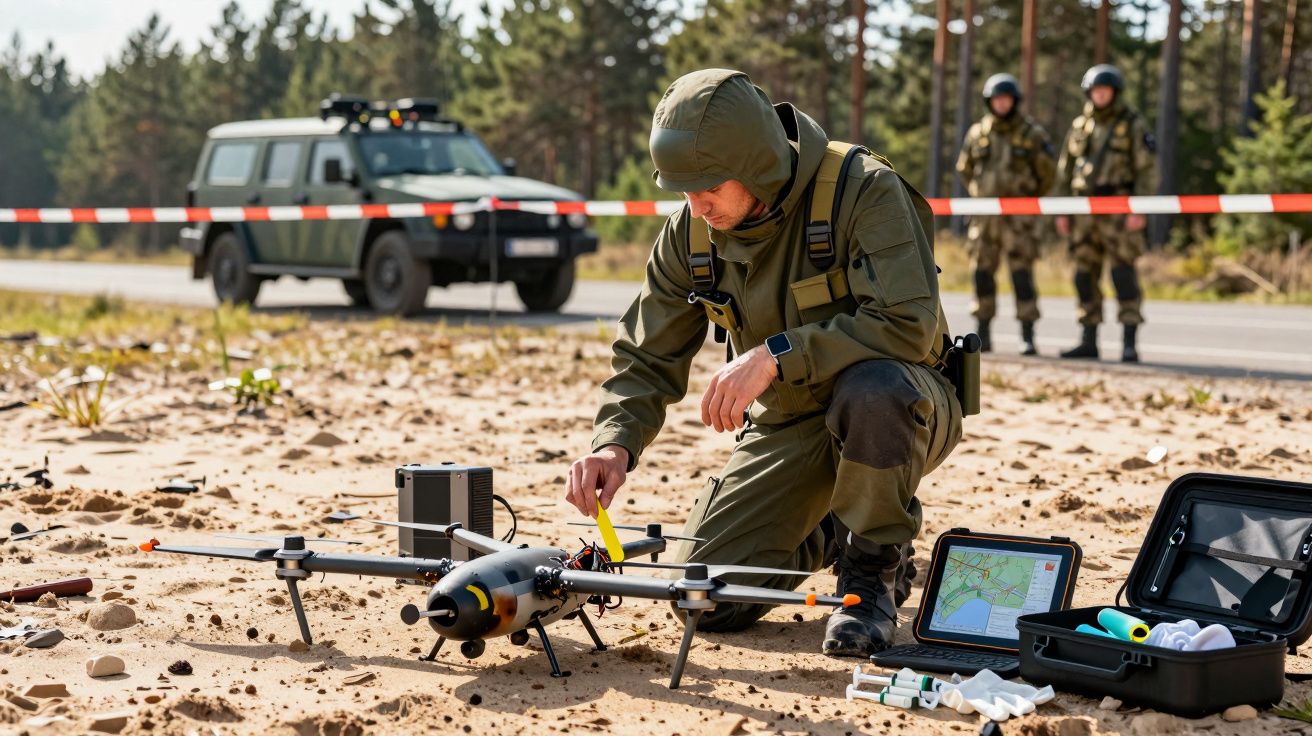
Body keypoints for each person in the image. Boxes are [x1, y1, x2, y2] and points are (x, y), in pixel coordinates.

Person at [563, 69, 962, 657]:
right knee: (707, 597)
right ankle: (834, 528)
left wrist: (777, 354)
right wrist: (613, 444)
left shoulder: (864, 191)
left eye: (708, 188)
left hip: (904, 404)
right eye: (682, 190)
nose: (697, 207)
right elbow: (648, 353)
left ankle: (872, 568)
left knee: (872, 390)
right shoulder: (692, 235)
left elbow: (908, 323)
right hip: (791, 424)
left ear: (757, 166)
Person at [1052, 64, 1158, 362]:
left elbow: (1147, 170)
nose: (1100, 95)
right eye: (1096, 90)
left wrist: (1140, 207)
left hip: (1119, 208)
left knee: (1123, 274)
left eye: (1106, 90)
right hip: (1083, 211)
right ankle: (1088, 340)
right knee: (1084, 276)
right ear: (1088, 93)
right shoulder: (1079, 126)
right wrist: (1062, 210)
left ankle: (1129, 342)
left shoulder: (1132, 124)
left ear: (1114, 92)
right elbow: (1064, 172)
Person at [956, 73, 1055, 355]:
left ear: (1015, 101)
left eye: (1007, 99)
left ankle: (1027, 334)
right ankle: (983, 333)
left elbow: (1047, 173)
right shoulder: (978, 133)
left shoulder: (1031, 133)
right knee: (982, 273)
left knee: (1022, 275)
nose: (1002, 103)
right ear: (989, 101)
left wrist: (1026, 199)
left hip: (1019, 221)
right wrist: (981, 195)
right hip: (985, 219)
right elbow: (965, 169)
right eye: (997, 99)